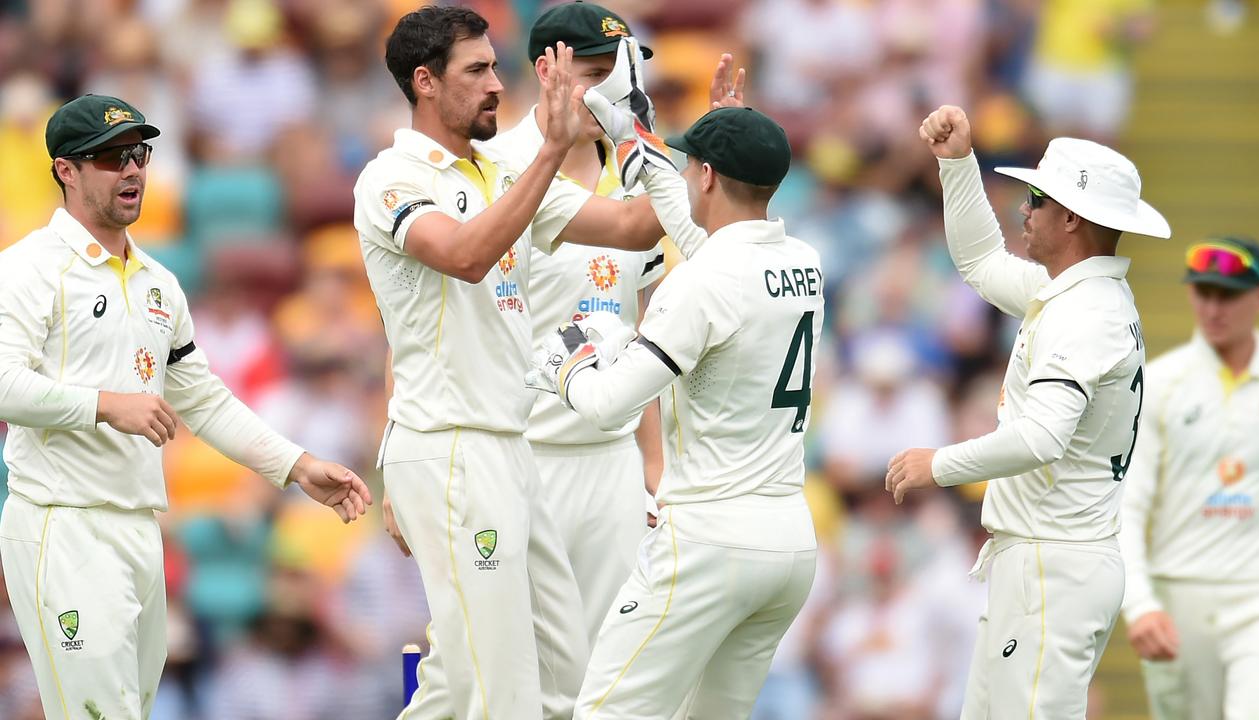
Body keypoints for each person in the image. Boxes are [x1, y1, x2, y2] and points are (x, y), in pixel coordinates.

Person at [0, 93, 372, 720]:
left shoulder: (157, 283)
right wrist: (105, 406)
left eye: (139, 154)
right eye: (111, 157)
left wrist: (297, 465)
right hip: (62, 526)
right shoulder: (28, 270)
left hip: (141, 529)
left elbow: (203, 400)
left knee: (129, 711)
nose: (132, 170)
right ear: (66, 169)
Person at [356, 7, 679, 719]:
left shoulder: (499, 169)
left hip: (513, 451)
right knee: (499, 689)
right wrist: (544, 156)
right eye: (477, 71)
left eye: (495, 67)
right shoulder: (392, 176)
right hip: (450, 451)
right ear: (425, 83)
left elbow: (632, 226)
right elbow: (466, 256)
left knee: (558, 683)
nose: (496, 85)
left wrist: (663, 138)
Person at [530, 98, 824, 717]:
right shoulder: (804, 262)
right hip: (789, 544)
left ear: (710, 176)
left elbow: (609, 406)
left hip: (710, 541)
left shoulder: (702, 281)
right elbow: (705, 241)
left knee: (603, 712)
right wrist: (631, 135)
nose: (686, 174)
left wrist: (567, 366)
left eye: (692, 166)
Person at [885, 104, 1171, 718]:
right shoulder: (1074, 295)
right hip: (1044, 560)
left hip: (1054, 564)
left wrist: (939, 463)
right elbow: (980, 265)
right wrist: (959, 165)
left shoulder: (1083, 314)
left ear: (1070, 217)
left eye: (1037, 198)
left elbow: (1042, 437)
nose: (1024, 207)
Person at [1119, 237, 1259, 719]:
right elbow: (1127, 503)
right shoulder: (1160, 383)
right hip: (1177, 601)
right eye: (1202, 292)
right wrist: (1140, 603)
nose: (1212, 308)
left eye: (1227, 295)